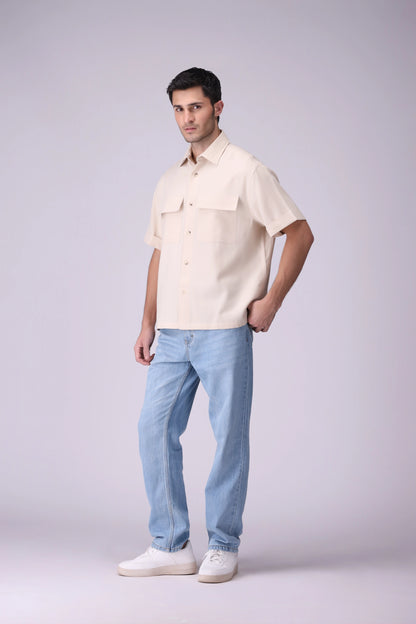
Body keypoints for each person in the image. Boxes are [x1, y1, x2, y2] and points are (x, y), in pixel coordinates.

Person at [118, 67, 314, 583]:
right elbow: (159, 255)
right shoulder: (169, 180)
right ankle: (170, 544)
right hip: (172, 332)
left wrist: (271, 302)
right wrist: (147, 323)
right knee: (153, 429)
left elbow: (300, 233)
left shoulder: (247, 171)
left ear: (218, 108)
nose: (187, 118)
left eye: (196, 107)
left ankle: (224, 543)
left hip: (224, 327)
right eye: (179, 109)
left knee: (228, 437)